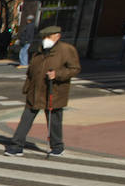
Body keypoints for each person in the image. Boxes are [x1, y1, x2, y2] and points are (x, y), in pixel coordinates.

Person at [5, 24, 80, 157]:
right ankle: (16, 145)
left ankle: (57, 146)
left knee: (54, 120)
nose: (45, 39)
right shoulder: (39, 50)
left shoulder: (67, 50)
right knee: (26, 119)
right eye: (44, 37)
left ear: (57, 36)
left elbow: (75, 69)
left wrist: (58, 74)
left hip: (54, 91)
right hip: (35, 91)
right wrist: (27, 88)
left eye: (48, 37)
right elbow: (31, 71)